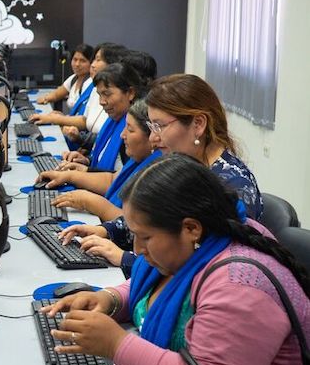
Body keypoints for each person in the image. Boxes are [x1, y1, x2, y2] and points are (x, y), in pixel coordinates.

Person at [45, 154, 309, 365]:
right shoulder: (210, 240)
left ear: (190, 229)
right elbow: (161, 287)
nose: (137, 250)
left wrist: (116, 344)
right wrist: (110, 300)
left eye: (145, 237)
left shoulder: (238, 286)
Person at [61, 74, 264, 271]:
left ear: (198, 124)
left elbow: (205, 267)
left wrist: (125, 258)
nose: (152, 139)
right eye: (151, 126)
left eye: (159, 126)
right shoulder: (186, 166)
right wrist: (106, 230)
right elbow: (155, 218)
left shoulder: (233, 188)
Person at [37, 100, 161, 222]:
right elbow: (112, 180)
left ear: (153, 137)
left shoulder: (159, 174)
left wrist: (91, 203)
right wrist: (69, 176)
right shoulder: (140, 159)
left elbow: (138, 225)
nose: (122, 135)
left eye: (130, 130)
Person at [30, 43, 126, 146]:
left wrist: (56, 119)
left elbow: (103, 138)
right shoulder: (93, 88)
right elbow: (87, 121)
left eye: (98, 60)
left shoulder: (119, 111)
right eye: (94, 59)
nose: (93, 65)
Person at [60, 62, 143, 172]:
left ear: (130, 93)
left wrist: (86, 171)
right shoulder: (112, 121)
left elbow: (124, 178)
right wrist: (86, 161)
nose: (101, 102)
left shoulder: (136, 130)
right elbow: (104, 159)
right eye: (99, 95)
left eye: (107, 94)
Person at [35, 44, 94, 112]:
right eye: (75, 60)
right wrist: (45, 98)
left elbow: (83, 118)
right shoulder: (73, 78)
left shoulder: (90, 83)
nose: (77, 64)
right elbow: (57, 94)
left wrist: (58, 118)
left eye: (82, 61)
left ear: (91, 63)